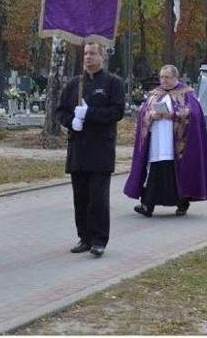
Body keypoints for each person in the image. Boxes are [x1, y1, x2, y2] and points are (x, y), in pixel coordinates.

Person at [56, 42, 125, 257]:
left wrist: (90, 113)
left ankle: (99, 240)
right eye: (85, 53)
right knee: (81, 198)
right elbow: (60, 111)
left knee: (98, 199)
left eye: (92, 53)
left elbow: (117, 112)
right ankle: (84, 237)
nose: (87, 57)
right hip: (78, 150)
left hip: (100, 150)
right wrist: (70, 121)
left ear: (102, 56)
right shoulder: (74, 84)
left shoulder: (113, 83)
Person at [124, 65, 207, 217]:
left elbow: (194, 114)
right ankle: (147, 205)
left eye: (167, 77)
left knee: (178, 174)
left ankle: (182, 204)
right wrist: (150, 116)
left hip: (177, 144)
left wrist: (173, 115)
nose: (164, 81)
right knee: (154, 173)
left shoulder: (186, 93)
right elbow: (143, 111)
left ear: (176, 78)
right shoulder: (155, 94)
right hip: (157, 142)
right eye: (162, 77)